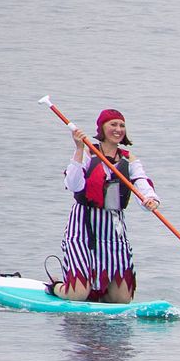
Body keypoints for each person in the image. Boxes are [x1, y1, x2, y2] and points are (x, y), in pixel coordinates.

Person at [48, 109, 159, 304]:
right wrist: (79, 149)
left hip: (113, 231)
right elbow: (73, 185)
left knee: (122, 300)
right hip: (83, 228)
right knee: (78, 296)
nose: (118, 129)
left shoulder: (129, 159)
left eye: (121, 125)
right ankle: (57, 286)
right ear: (102, 128)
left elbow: (143, 183)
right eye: (113, 125)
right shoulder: (88, 152)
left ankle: (95, 290)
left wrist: (150, 200)